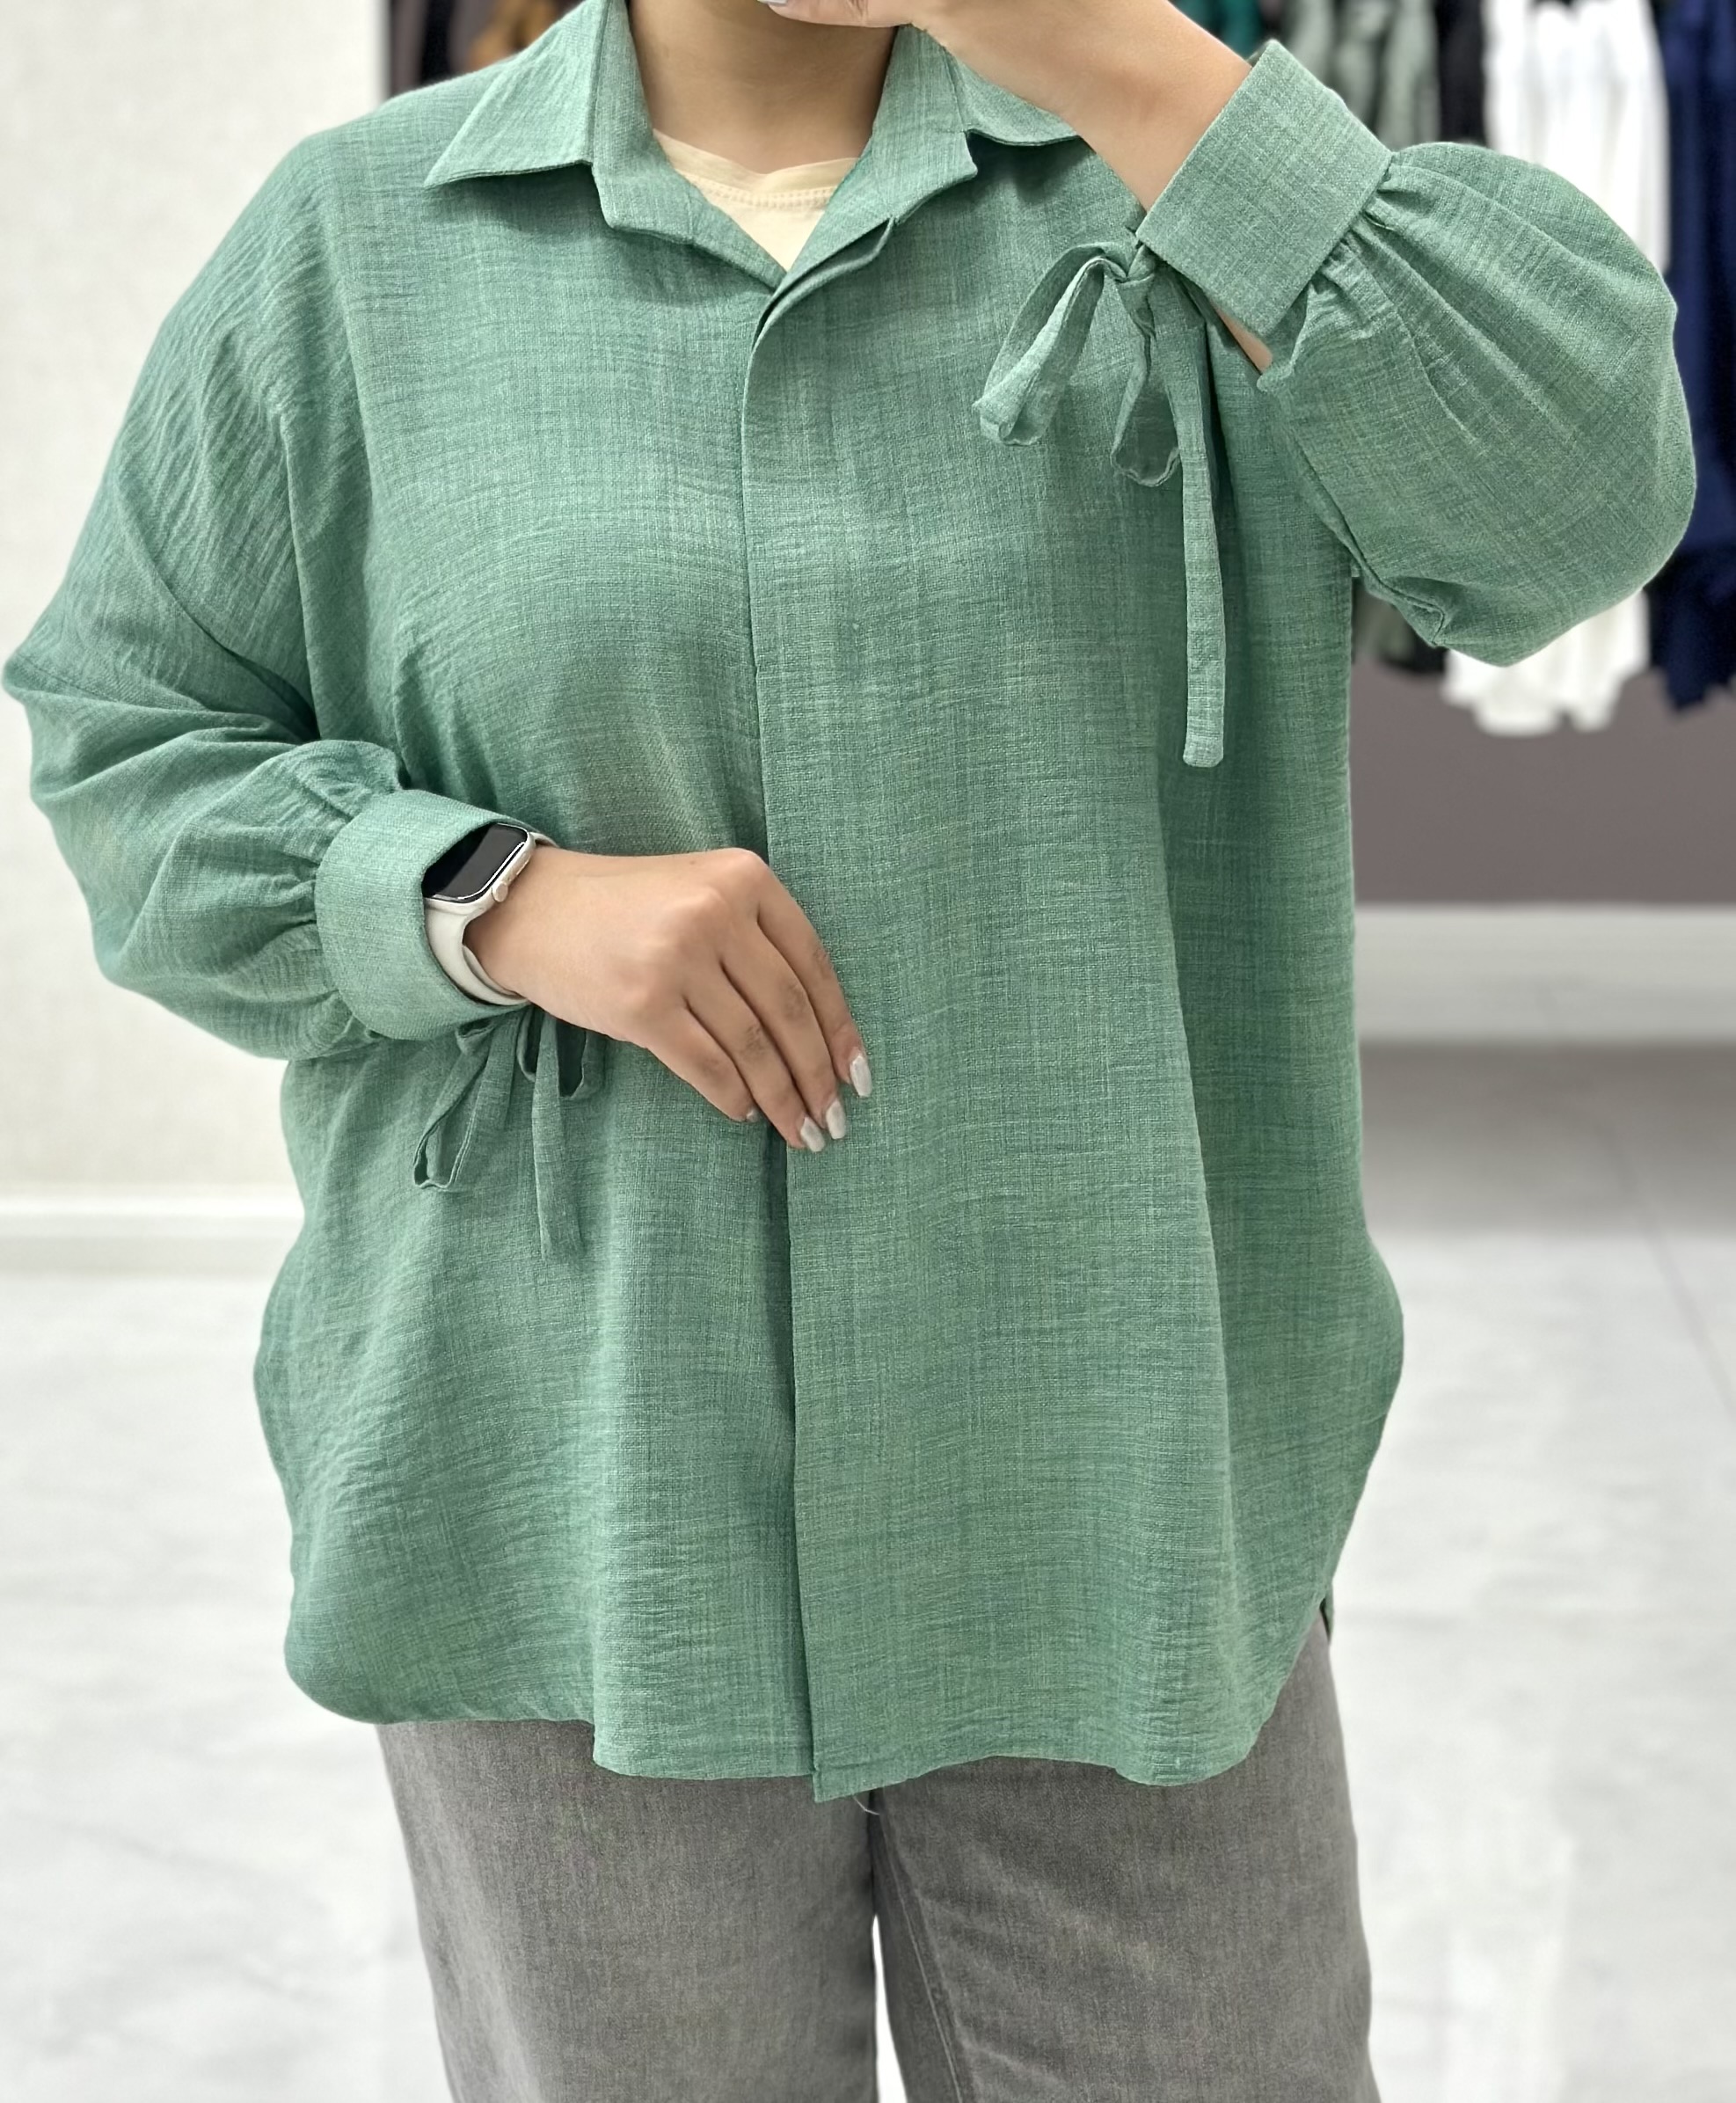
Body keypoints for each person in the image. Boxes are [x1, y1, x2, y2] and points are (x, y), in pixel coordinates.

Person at [2, 0, 1694, 2095]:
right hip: (575, 1488)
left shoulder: (1186, 185)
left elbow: (1583, 505)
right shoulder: (356, 243)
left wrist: (1117, 56)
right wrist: (488, 897)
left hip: (1116, 1499)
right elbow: (132, 747)